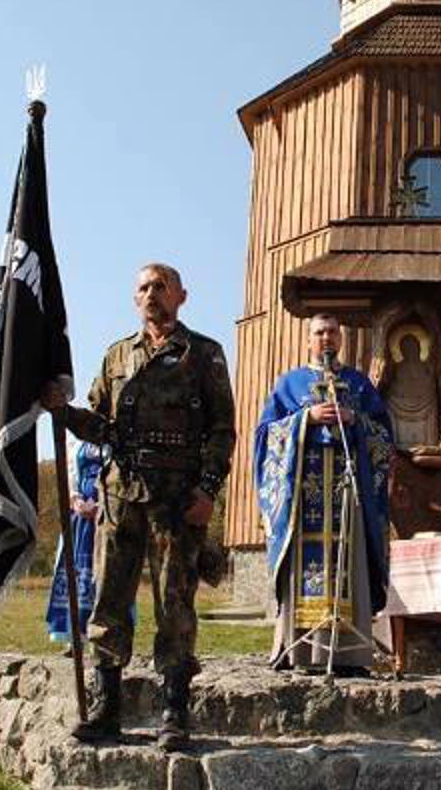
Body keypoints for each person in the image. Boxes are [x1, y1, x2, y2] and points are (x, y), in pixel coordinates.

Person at [41, 263, 236, 749]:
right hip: (121, 493)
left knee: (174, 605)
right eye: (144, 288)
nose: (152, 294)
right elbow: (101, 426)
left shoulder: (205, 354)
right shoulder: (115, 357)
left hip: (178, 497)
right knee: (109, 601)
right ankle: (107, 709)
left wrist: (208, 490)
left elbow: (221, 430)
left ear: (181, 296)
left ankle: (174, 711)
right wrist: (62, 412)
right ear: (135, 299)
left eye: (161, 286)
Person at [255, 314, 394, 676]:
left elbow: (383, 435)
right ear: (308, 340)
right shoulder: (289, 384)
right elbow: (265, 436)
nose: (326, 339)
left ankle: (350, 655)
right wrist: (306, 418)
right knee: (306, 565)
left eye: (333, 332)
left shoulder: (359, 384)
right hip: (305, 497)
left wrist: (356, 421)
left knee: (350, 562)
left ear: (342, 338)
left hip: (348, 493)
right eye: (319, 333)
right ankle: (300, 652)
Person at [45, 441, 108, 650]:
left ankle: (102, 640)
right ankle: (75, 637)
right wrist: (76, 499)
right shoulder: (77, 440)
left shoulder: (116, 435)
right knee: (75, 573)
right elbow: (71, 473)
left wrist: (102, 505)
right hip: (79, 517)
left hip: (108, 516)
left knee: (104, 576)